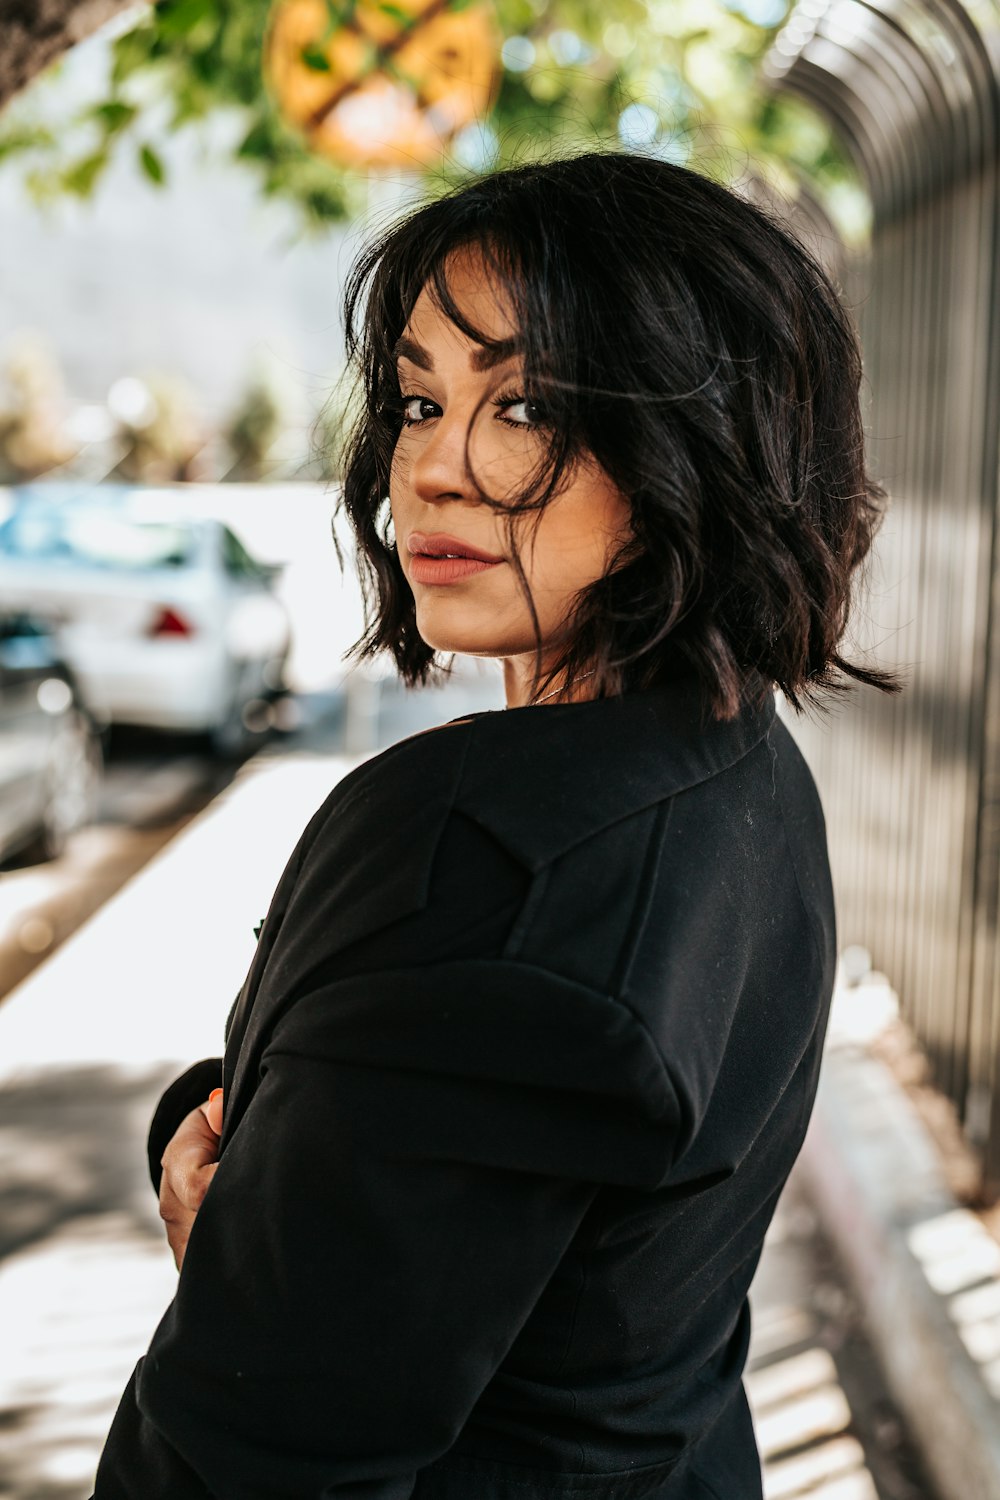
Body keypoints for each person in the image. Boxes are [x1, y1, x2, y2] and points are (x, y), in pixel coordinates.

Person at [91, 149, 900, 1499]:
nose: (435, 470)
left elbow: (261, 1449)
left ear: (690, 444)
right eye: (417, 399)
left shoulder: (490, 852)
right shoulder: (741, 766)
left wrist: (248, 1254)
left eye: (522, 403)